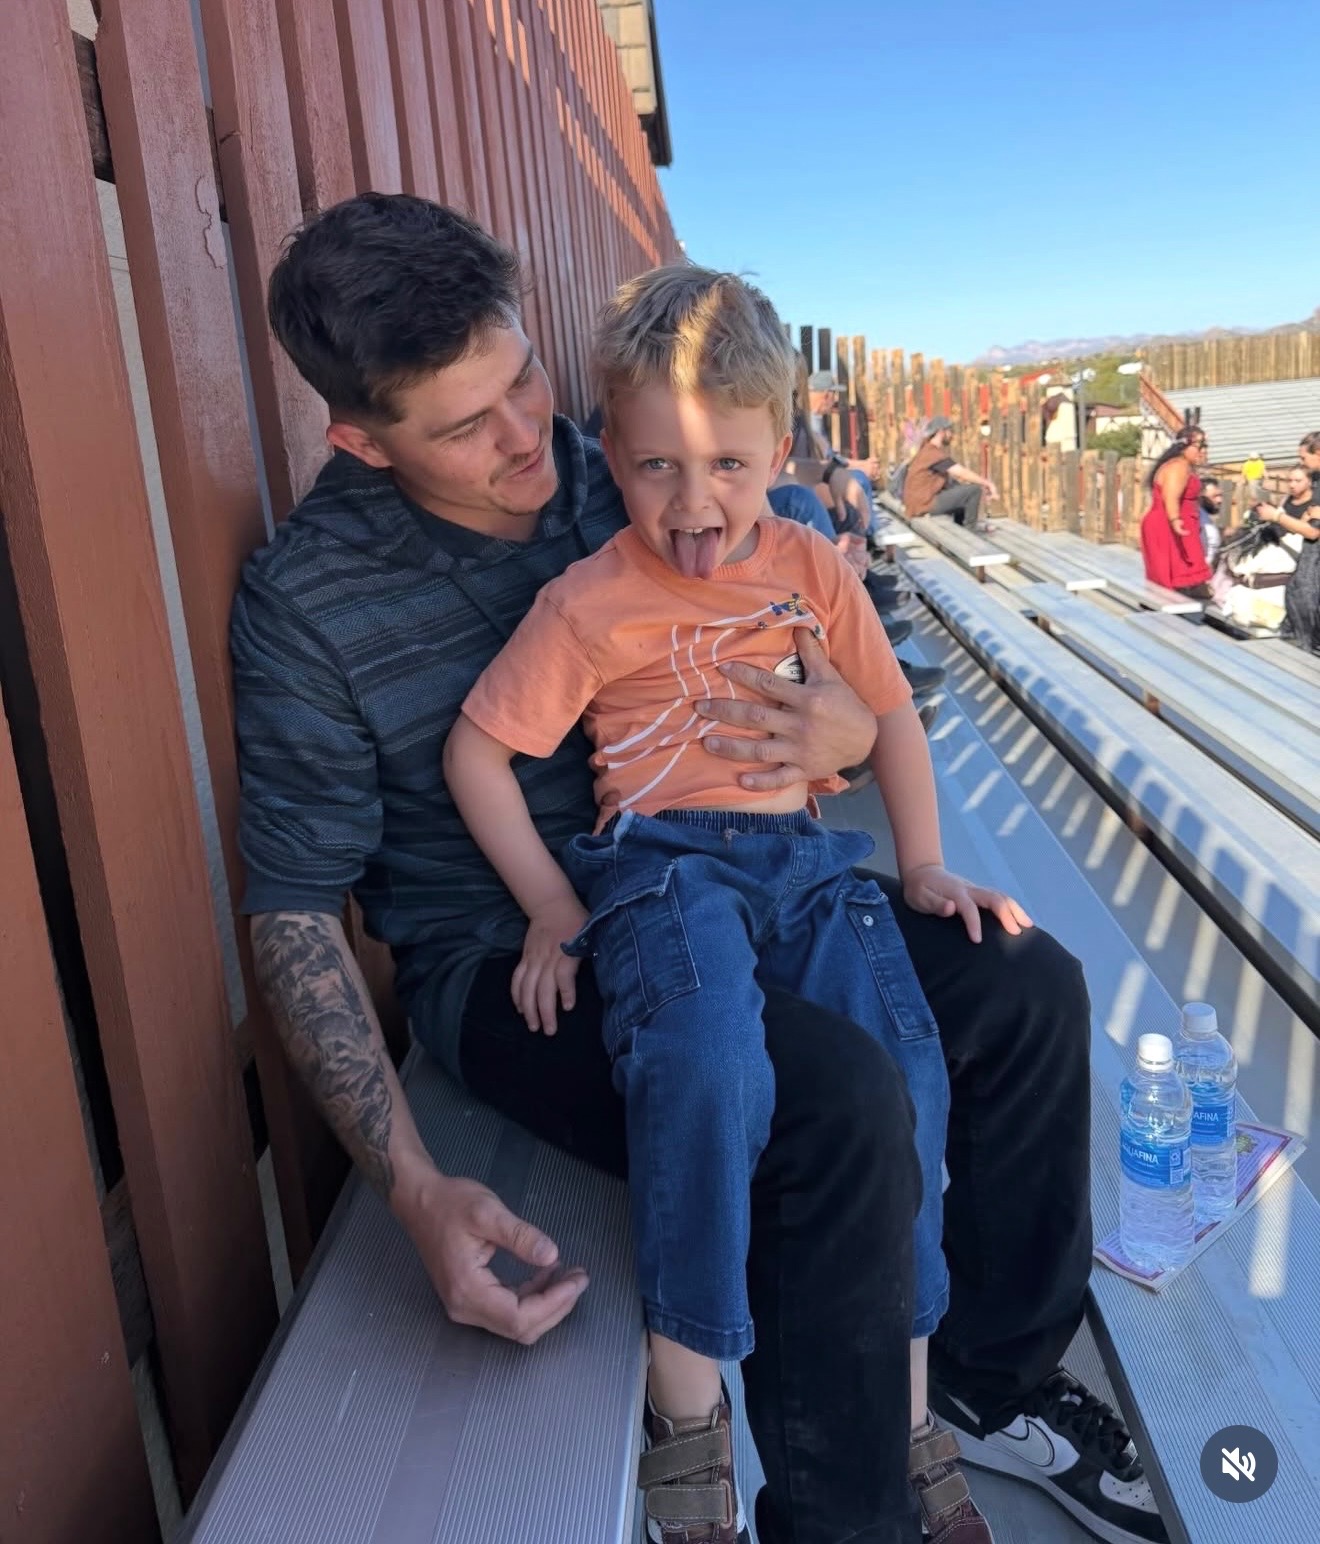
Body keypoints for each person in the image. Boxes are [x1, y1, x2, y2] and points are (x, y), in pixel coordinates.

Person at [234, 191, 1165, 1544]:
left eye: (524, 380)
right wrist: (413, 1183)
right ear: (361, 440)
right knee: (833, 1099)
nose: (526, 439)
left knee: (1024, 982)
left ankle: (987, 1377)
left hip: (742, 870)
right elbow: (291, 913)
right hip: (520, 956)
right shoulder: (309, 602)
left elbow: (836, 663)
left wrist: (846, 736)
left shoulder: (633, 465)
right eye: (464, 426)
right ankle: (842, 1514)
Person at [445, 265, 1026, 1542]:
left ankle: (910, 1413)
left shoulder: (811, 564)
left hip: (804, 863)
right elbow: (476, 751)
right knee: (706, 1061)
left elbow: (886, 718)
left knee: (908, 1072)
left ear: (780, 449)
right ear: (611, 453)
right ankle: (689, 1409)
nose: (694, 502)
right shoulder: (588, 600)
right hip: (663, 866)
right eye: (656, 466)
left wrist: (923, 863)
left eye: (729, 465)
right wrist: (549, 902)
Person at [1139, 428, 1213, 597]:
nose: (1203, 451)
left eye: (1205, 446)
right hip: (1167, 525)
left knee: (1186, 571)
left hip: (1179, 523)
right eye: (1200, 446)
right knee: (1169, 576)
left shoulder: (1185, 466)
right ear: (1184, 446)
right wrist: (1175, 521)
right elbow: (1170, 497)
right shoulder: (1178, 466)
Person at [1256, 464, 1320, 651]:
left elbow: (1311, 532)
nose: (1292, 485)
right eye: (1289, 480)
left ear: (1309, 482)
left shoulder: (1314, 503)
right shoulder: (1287, 500)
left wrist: (1277, 517)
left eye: (1297, 480)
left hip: (1305, 563)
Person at [902, 418, 998, 529]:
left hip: (918, 504)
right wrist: (988, 483)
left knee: (962, 493)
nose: (952, 435)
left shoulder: (926, 450)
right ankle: (970, 531)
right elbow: (962, 473)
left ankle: (961, 529)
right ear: (941, 432)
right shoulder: (932, 453)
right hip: (923, 505)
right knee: (974, 491)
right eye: (950, 431)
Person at [1198, 476, 1224, 568]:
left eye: (1220, 496)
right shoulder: (1200, 523)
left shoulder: (1205, 519)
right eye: (1215, 496)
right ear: (1201, 497)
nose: (1220, 500)